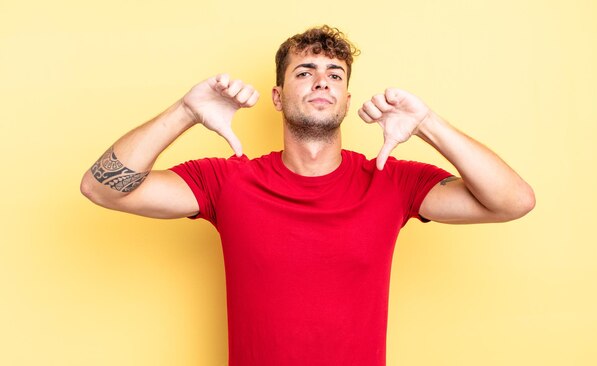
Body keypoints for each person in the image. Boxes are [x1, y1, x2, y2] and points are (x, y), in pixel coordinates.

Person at [81, 25, 535, 366]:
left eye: (334, 74)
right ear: (278, 97)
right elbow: (100, 188)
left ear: (345, 96)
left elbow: (513, 201)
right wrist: (186, 111)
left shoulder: (391, 181)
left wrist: (428, 124)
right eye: (306, 71)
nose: (322, 81)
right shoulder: (227, 182)